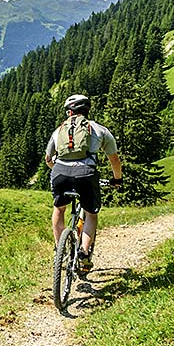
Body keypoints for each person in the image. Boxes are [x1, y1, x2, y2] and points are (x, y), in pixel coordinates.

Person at [45, 94, 122, 270]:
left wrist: (59, 172)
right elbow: (114, 160)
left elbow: (48, 159)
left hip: (60, 173)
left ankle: (60, 251)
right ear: (86, 111)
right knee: (91, 213)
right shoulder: (99, 130)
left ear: (69, 112)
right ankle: (84, 254)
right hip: (86, 175)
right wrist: (117, 179)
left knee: (59, 209)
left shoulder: (59, 131)